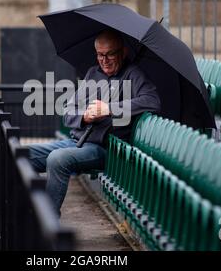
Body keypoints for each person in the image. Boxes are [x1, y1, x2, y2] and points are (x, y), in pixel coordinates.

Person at [28, 29, 161, 216]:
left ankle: (47, 225)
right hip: (76, 141)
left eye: (110, 54)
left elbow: (152, 101)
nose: (104, 60)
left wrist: (110, 108)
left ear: (123, 52)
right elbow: (68, 112)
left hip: (104, 148)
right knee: (22, 156)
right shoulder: (92, 73)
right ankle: (29, 215)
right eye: (100, 54)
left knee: (57, 159)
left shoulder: (133, 74)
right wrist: (85, 117)